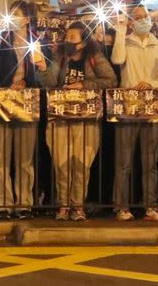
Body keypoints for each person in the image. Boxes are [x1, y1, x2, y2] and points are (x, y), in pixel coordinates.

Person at [38, 21, 117, 220]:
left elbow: (111, 80)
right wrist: (41, 68)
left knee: (82, 163)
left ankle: (78, 205)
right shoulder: (59, 56)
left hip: (86, 119)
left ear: (83, 42)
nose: (68, 41)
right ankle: (63, 205)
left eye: (72, 38)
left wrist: (83, 84)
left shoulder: (94, 57)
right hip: (60, 117)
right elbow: (50, 82)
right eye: (67, 37)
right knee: (61, 161)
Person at [110, 4, 158, 221]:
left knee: (150, 161)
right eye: (137, 17)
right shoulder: (125, 42)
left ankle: (151, 206)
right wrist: (120, 29)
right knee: (124, 160)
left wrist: (151, 83)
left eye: (145, 16)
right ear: (131, 21)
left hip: (151, 106)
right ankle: (121, 206)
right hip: (128, 106)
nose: (142, 20)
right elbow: (117, 59)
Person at [0, 0, 40, 219]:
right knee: (0, 157)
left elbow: (45, 75)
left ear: (27, 19)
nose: (12, 17)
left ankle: (24, 203)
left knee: (25, 158)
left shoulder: (37, 41)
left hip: (27, 103)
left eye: (17, 14)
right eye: (10, 13)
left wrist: (27, 80)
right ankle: (2, 204)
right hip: (2, 102)